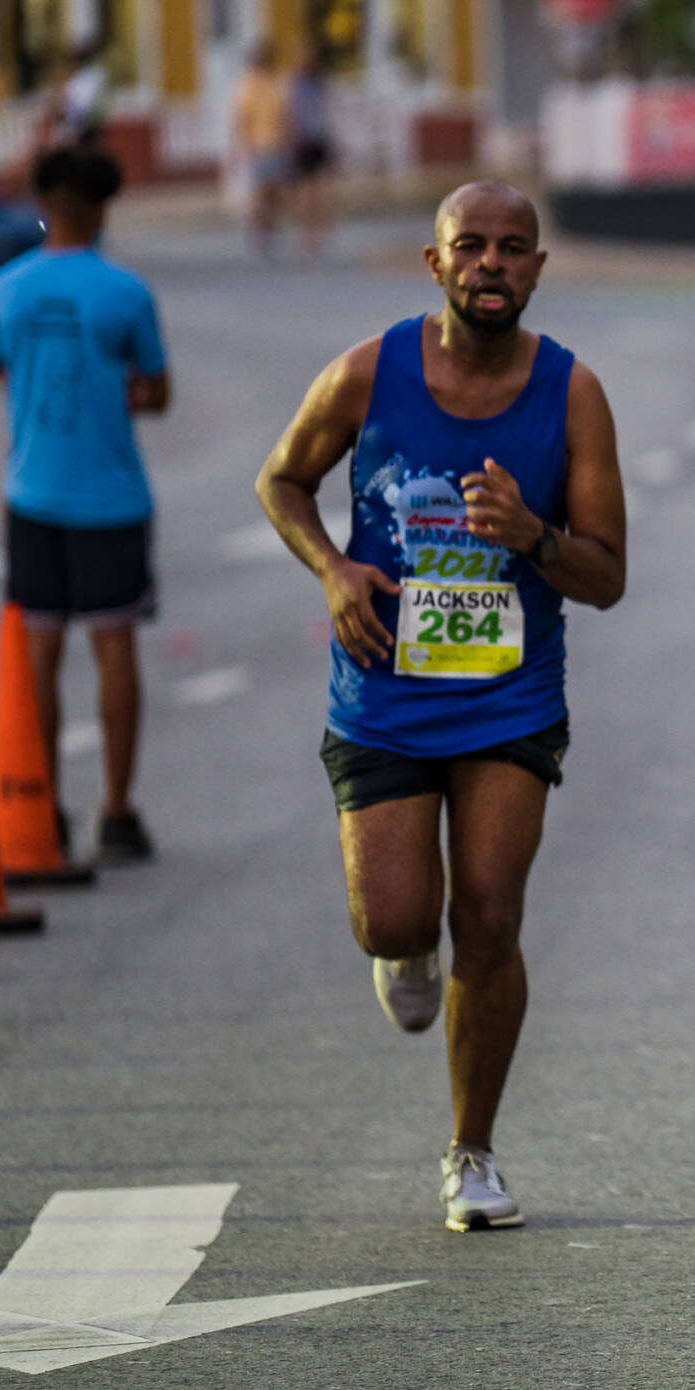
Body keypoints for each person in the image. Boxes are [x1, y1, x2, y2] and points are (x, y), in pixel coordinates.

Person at [254, 182, 627, 1232]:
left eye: (514, 248)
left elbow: (607, 574)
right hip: (382, 688)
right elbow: (281, 480)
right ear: (436, 263)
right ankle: (406, 945)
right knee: (397, 916)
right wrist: (332, 569)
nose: (491, 264)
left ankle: (472, 1149)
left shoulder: (573, 392)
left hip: (509, 697)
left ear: (539, 269)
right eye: (471, 246)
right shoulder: (369, 371)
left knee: (492, 915)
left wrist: (536, 538)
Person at [0, 146, 170, 864]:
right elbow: (156, 390)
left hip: (31, 489)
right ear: (100, 210)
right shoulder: (125, 292)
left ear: (41, 202)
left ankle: (42, 806)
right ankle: (118, 811)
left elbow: (0, 375)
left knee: (39, 648)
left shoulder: (0, 290)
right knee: (113, 644)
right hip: (111, 495)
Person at [233, 41, 290, 254]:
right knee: (259, 192)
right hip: (257, 146)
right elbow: (242, 118)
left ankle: (268, 227)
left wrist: (286, 139)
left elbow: (284, 114)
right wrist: (245, 145)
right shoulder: (248, 85)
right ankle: (256, 230)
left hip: (276, 143)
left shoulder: (275, 83)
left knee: (273, 192)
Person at [287, 46, 337, 257]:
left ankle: (318, 226)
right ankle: (307, 229)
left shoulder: (321, 83)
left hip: (319, 138)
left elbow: (329, 110)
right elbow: (293, 113)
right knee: (306, 188)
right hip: (304, 140)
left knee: (320, 187)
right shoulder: (297, 85)